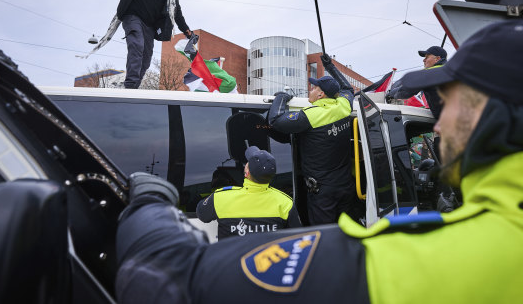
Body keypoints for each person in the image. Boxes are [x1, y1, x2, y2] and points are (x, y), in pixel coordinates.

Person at [114, 19, 523, 303]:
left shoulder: (427, 259)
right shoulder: (343, 110)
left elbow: (169, 283)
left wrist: (149, 201)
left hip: (322, 192)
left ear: (496, 115)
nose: (437, 124)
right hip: (338, 190)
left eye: (447, 103)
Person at [267, 54, 359, 225]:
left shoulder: (310, 116)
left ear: (321, 95)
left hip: (323, 193)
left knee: (323, 235)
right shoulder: (344, 106)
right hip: (345, 187)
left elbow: (274, 121)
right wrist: (330, 66)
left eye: (314, 88)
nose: (311, 90)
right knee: (346, 230)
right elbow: (348, 89)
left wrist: (282, 97)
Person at [108, 0, 193, 89]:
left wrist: (186, 30)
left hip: (149, 27)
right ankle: (129, 86)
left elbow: (176, 11)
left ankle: (133, 88)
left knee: (146, 59)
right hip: (132, 17)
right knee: (137, 45)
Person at [196, 146, 299, 240]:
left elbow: (202, 214)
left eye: (248, 163)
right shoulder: (285, 203)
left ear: (246, 172)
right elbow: (297, 237)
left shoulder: (220, 198)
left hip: (232, 260)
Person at [389, 45, 447, 119]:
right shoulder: (451, 72)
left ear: (437, 59)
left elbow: (405, 91)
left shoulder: (429, 74)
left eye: (427, 57)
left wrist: (390, 94)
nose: (424, 60)